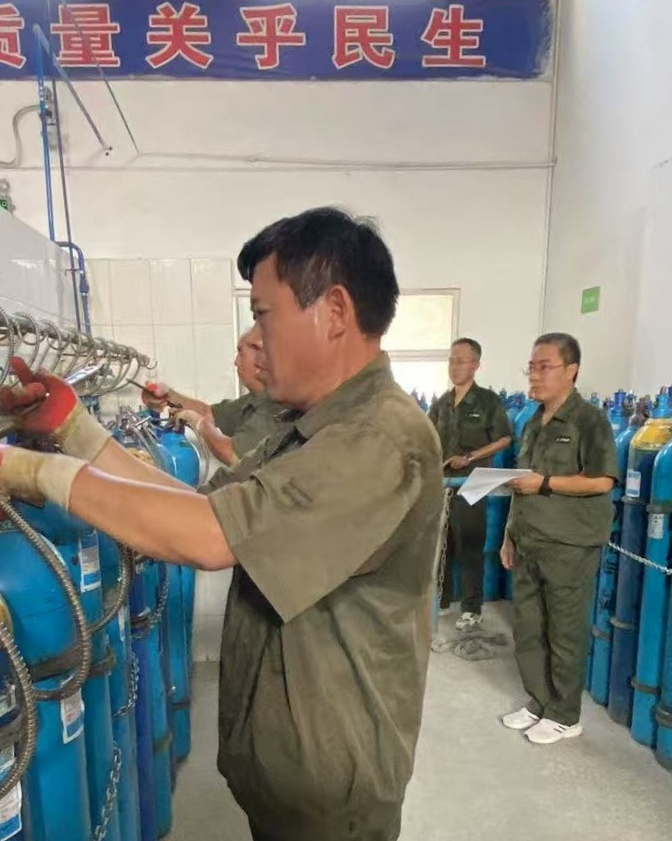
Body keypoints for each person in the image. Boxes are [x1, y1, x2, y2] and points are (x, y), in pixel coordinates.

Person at [0, 207, 444, 841]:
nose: (256, 337)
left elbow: (207, 538)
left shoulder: (377, 439)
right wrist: (74, 430)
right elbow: (193, 507)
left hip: (333, 786)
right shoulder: (311, 426)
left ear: (334, 311)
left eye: (264, 313)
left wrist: (29, 471)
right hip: (290, 759)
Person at [501, 332, 617, 745]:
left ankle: (565, 715)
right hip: (529, 539)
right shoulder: (533, 422)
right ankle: (539, 702)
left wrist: (546, 482)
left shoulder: (590, 420)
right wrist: (509, 534)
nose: (534, 375)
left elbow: (602, 480)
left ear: (571, 371)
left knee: (564, 631)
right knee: (529, 627)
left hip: (569, 544)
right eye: (531, 367)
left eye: (544, 367)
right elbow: (521, 484)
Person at [428, 339, 512, 629]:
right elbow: (429, 438)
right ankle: (441, 600)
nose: (455, 367)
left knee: (470, 544)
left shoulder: (488, 401)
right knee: (443, 543)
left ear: (475, 365)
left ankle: (472, 608)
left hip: (472, 482)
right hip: (444, 484)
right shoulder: (441, 404)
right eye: (452, 360)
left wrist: (470, 457)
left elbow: (504, 438)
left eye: (461, 361)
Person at [145, 325, 290, 465]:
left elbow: (234, 456)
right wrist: (168, 395)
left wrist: (200, 424)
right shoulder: (254, 399)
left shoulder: (278, 406)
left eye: (241, 354)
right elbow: (208, 413)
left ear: (262, 357)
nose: (236, 362)